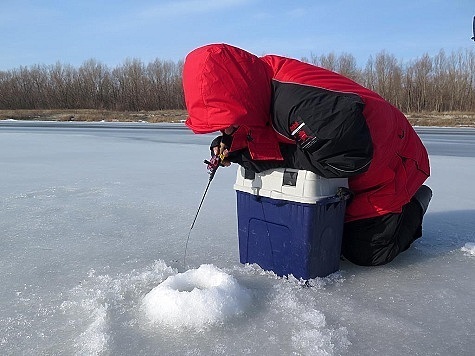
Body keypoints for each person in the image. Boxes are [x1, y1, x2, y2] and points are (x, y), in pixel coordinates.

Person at [182, 43, 432, 267]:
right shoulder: (256, 92)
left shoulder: (299, 106)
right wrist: (230, 145)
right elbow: (256, 128)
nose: (224, 129)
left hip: (390, 163)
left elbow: (348, 161)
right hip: (342, 158)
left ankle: (414, 202)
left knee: (366, 252)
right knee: (322, 236)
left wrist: (259, 156)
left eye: (226, 122)